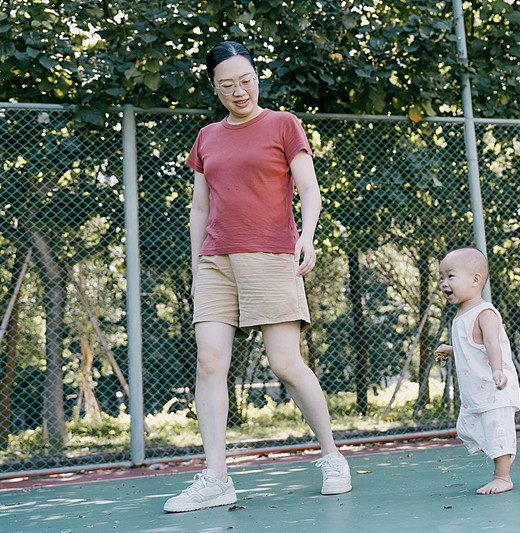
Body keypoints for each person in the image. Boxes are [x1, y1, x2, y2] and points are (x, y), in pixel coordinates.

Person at [164, 41, 351, 513]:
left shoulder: (284, 125)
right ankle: (216, 477)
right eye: (226, 85)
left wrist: (307, 235)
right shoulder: (207, 136)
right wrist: (196, 266)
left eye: (245, 80)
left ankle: (332, 457)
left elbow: (308, 187)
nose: (238, 91)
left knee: (285, 363)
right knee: (210, 363)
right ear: (214, 87)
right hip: (215, 262)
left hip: (271, 254)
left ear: (256, 76)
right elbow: (200, 208)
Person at [435, 247, 520, 494]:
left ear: (475, 280)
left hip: (494, 387)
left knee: (497, 432)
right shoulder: (462, 314)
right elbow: (472, 346)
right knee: (467, 429)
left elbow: (493, 344)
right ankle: (501, 452)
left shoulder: (485, 312)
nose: (443, 283)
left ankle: (502, 476)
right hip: (475, 392)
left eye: (450, 276)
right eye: (441, 278)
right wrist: (451, 349)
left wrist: (498, 371)